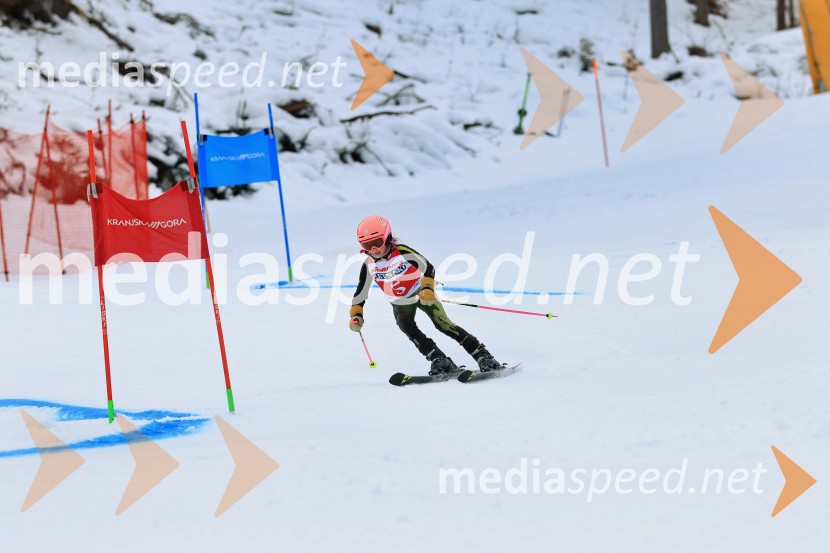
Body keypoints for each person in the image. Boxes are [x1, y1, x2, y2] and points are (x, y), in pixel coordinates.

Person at [349, 215, 503, 376]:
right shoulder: (369, 265)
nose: (373, 249)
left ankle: (482, 355)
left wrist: (428, 288)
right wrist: (356, 314)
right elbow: (361, 291)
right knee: (405, 324)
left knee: (443, 324)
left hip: (421, 293)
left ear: (387, 236)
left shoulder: (401, 252)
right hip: (400, 303)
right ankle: (438, 359)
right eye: (366, 245)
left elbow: (428, 267)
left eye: (377, 242)